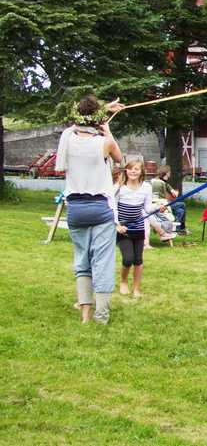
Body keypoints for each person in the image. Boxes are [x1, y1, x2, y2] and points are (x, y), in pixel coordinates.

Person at [56, 95, 125, 324]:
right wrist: (107, 128)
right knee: (102, 261)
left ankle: (85, 315)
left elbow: (80, 119)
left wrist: (101, 110)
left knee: (82, 260)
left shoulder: (67, 137)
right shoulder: (104, 141)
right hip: (100, 208)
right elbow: (120, 160)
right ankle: (102, 315)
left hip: (75, 207)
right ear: (98, 119)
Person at [113, 159, 174, 298]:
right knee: (128, 259)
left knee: (138, 260)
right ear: (126, 170)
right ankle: (123, 282)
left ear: (141, 172)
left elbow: (147, 209)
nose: (133, 171)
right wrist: (117, 225)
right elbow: (113, 207)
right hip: (124, 228)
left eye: (136, 169)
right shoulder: (119, 187)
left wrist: (158, 208)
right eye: (130, 168)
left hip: (139, 227)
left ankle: (136, 289)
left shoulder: (146, 187)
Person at [151, 165, 188, 234]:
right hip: (163, 205)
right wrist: (176, 192)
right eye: (169, 172)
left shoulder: (154, 181)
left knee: (180, 211)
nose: (170, 174)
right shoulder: (163, 183)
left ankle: (178, 229)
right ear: (167, 173)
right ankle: (182, 228)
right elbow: (175, 195)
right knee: (182, 204)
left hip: (159, 204)